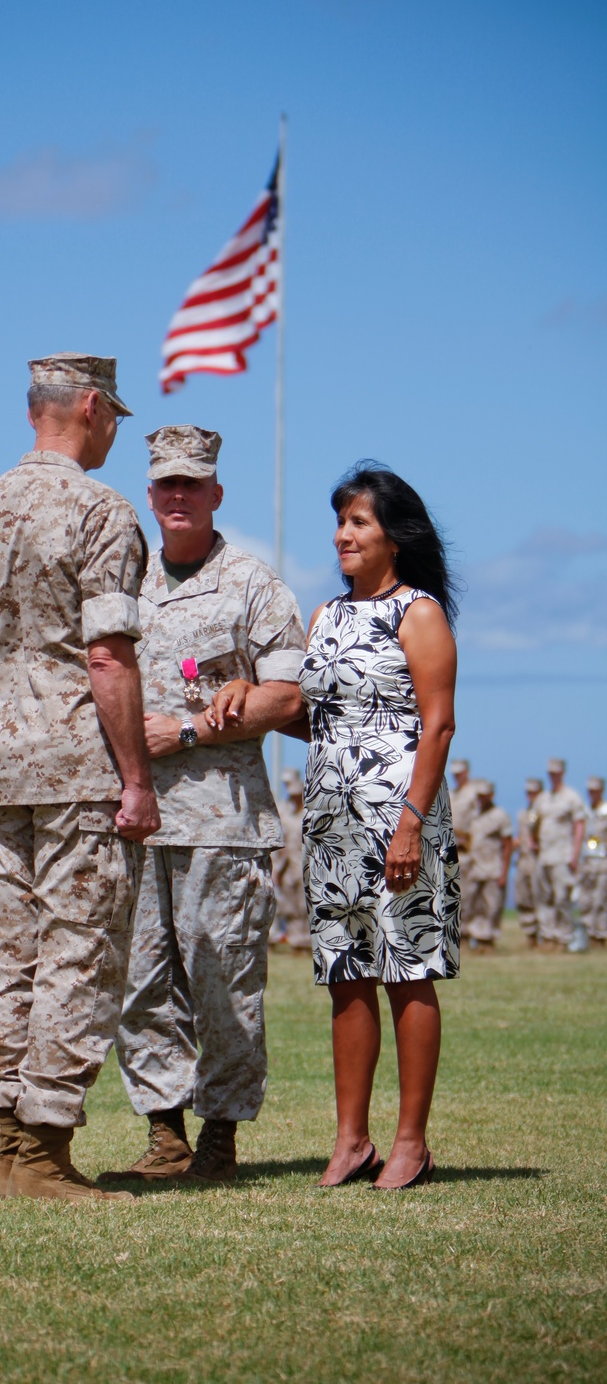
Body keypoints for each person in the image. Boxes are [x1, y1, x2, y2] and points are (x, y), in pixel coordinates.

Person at [0, 353, 159, 1204]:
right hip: (75, 771)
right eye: (114, 419)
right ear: (92, 407)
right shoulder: (101, 512)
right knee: (77, 954)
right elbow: (107, 655)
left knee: (6, 960)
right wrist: (135, 779)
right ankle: (42, 1155)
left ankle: (1, 1147)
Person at [102, 426, 305, 1186]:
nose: (179, 496)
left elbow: (287, 696)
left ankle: (220, 1136)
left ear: (217, 494)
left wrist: (185, 730)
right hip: (136, 822)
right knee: (139, 982)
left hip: (223, 822)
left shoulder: (253, 584)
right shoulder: (125, 583)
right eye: (166, 485)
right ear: (150, 496)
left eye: (193, 485)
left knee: (222, 982)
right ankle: (165, 1136)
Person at [287, 462, 461, 1190]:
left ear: (395, 535)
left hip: (400, 817)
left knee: (407, 970)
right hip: (331, 822)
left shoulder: (416, 612)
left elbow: (439, 724)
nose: (343, 536)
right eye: (340, 523)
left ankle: (411, 1143)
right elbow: (314, 720)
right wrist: (240, 696)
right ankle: (351, 1140)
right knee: (346, 978)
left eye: (358, 522)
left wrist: (411, 825)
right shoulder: (325, 616)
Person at [531, 759, 586, 951]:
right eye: (550, 772)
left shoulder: (571, 797)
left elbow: (580, 825)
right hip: (544, 855)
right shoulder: (543, 798)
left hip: (562, 854)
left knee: (562, 897)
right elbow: (534, 821)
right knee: (543, 898)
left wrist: (575, 854)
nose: (552, 775)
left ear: (562, 773)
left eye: (556, 772)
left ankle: (563, 938)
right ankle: (548, 937)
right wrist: (533, 840)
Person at [461, 780, 513, 954]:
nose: (482, 799)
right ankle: (469, 937)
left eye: (485, 796)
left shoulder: (500, 815)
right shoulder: (474, 815)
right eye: (479, 796)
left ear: (492, 796)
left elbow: (507, 844)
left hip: (493, 867)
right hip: (474, 867)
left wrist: (504, 872)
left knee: (492, 905)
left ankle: (487, 940)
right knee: (471, 904)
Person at [273, 769, 309, 954]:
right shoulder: (284, 811)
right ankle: (296, 942)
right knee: (290, 907)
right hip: (287, 867)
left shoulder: (309, 811)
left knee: (305, 907)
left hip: (306, 866)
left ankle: (307, 944)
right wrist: (276, 870)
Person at [512, 779, 542, 948]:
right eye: (528, 792)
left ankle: (544, 934)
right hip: (523, 861)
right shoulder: (523, 814)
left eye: (533, 792)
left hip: (538, 861)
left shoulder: (543, 812)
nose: (530, 796)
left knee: (540, 898)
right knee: (523, 898)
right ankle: (530, 934)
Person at [579, 777, 607, 948]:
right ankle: (589, 934)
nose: (592, 794)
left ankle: (601, 935)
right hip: (588, 860)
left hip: (603, 862)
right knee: (586, 899)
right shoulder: (585, 811)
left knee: (600, 900)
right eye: (590, 791)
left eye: (595, 790)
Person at [449, 758, 483, 866]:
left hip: (469, 847)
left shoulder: (474, 792)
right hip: (453, 844)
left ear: (466, 772)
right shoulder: (452, 794)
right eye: (455, 774)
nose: (457, 777)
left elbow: (481, 818)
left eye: (459, 773)